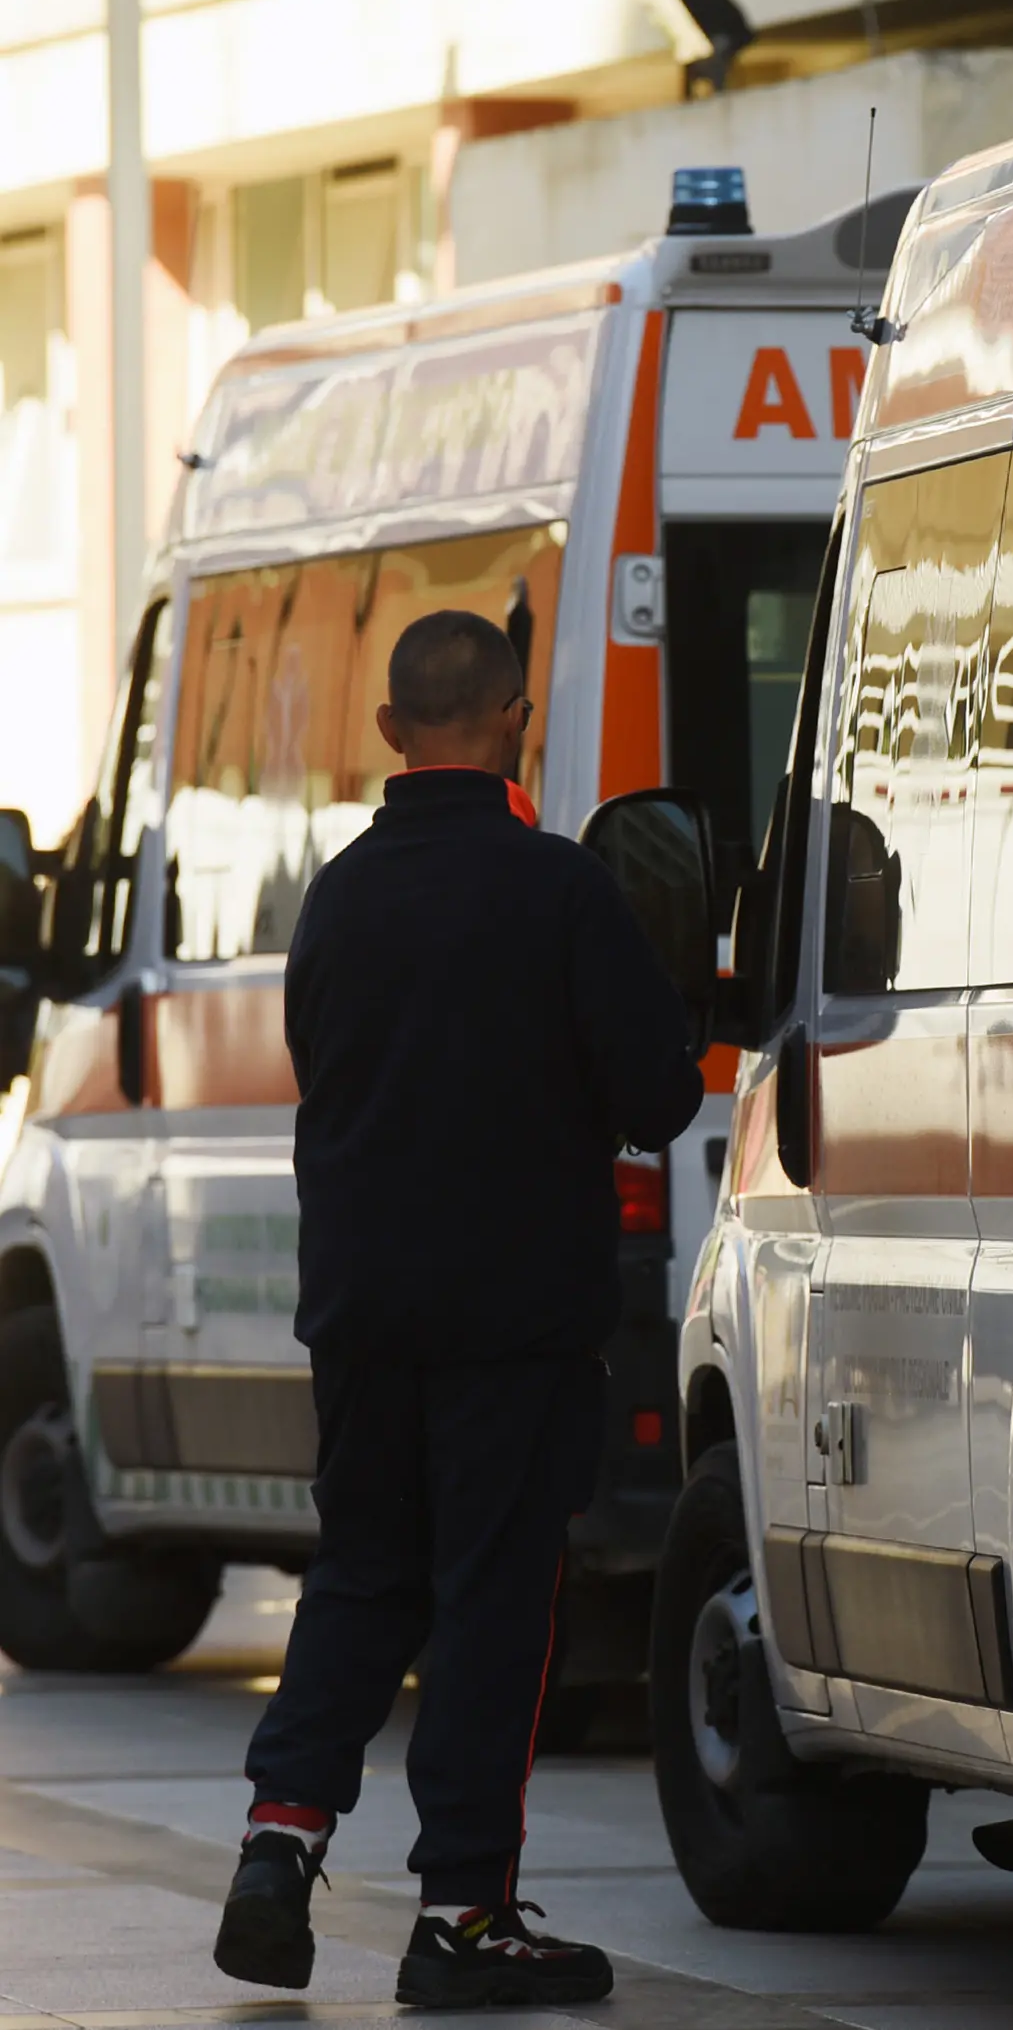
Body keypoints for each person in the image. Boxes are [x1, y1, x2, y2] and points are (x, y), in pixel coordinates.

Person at [211, 609, 705, 2007]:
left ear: (388, 734)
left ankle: (278, 1835)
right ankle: (466, 1916)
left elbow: (326, 1065)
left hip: (362, 1312)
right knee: (493, 1601)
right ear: (516, 719)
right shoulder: (557, 889)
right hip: (513, 1317)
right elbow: (658, 1094)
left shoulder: (339, 898)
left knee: (363, 1572)